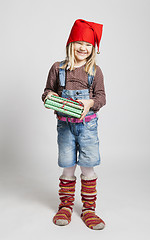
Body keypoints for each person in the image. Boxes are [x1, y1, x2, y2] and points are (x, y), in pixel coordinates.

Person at [42, 19, 106, 230]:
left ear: (93, 49)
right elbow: (46, 92)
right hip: (65, 128)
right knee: (67, 166)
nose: (83, 48)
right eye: (79, 42)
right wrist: (50, 97)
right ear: (70, 43)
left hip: (88, 128)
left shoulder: (94, 71)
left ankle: (89, 210)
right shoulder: (57, 68)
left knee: (88, 167)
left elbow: (101, 98)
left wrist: (89, 102)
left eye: (88, 45)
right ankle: (66, 206)